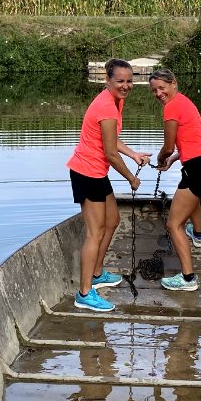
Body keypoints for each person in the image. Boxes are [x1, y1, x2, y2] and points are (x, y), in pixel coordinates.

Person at [67, 58, 151, 312]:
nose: (126, 86)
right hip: (87, 173)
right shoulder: (106, 106)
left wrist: (134, 154)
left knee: (112, 220)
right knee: (94, 233)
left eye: (129, 81)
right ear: (108, 81)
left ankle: (97, 273)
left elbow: (113, 140)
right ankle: (84, 293)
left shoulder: (117, 101)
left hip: (96, 172)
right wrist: (131, 178)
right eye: (120, 81)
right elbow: (111, 153)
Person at [150, 69, 201, 291]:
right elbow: (189, 144)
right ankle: (198, 235)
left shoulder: (171, 108)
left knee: (174, 224)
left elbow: (169, 145)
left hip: (197, 169)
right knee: (190, 197)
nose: (158, 93)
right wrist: (172, 160)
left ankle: (188, 279)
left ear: (174, 83)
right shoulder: (185, 103)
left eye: (162, 88)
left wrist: (162, 158)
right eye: (154, 90)